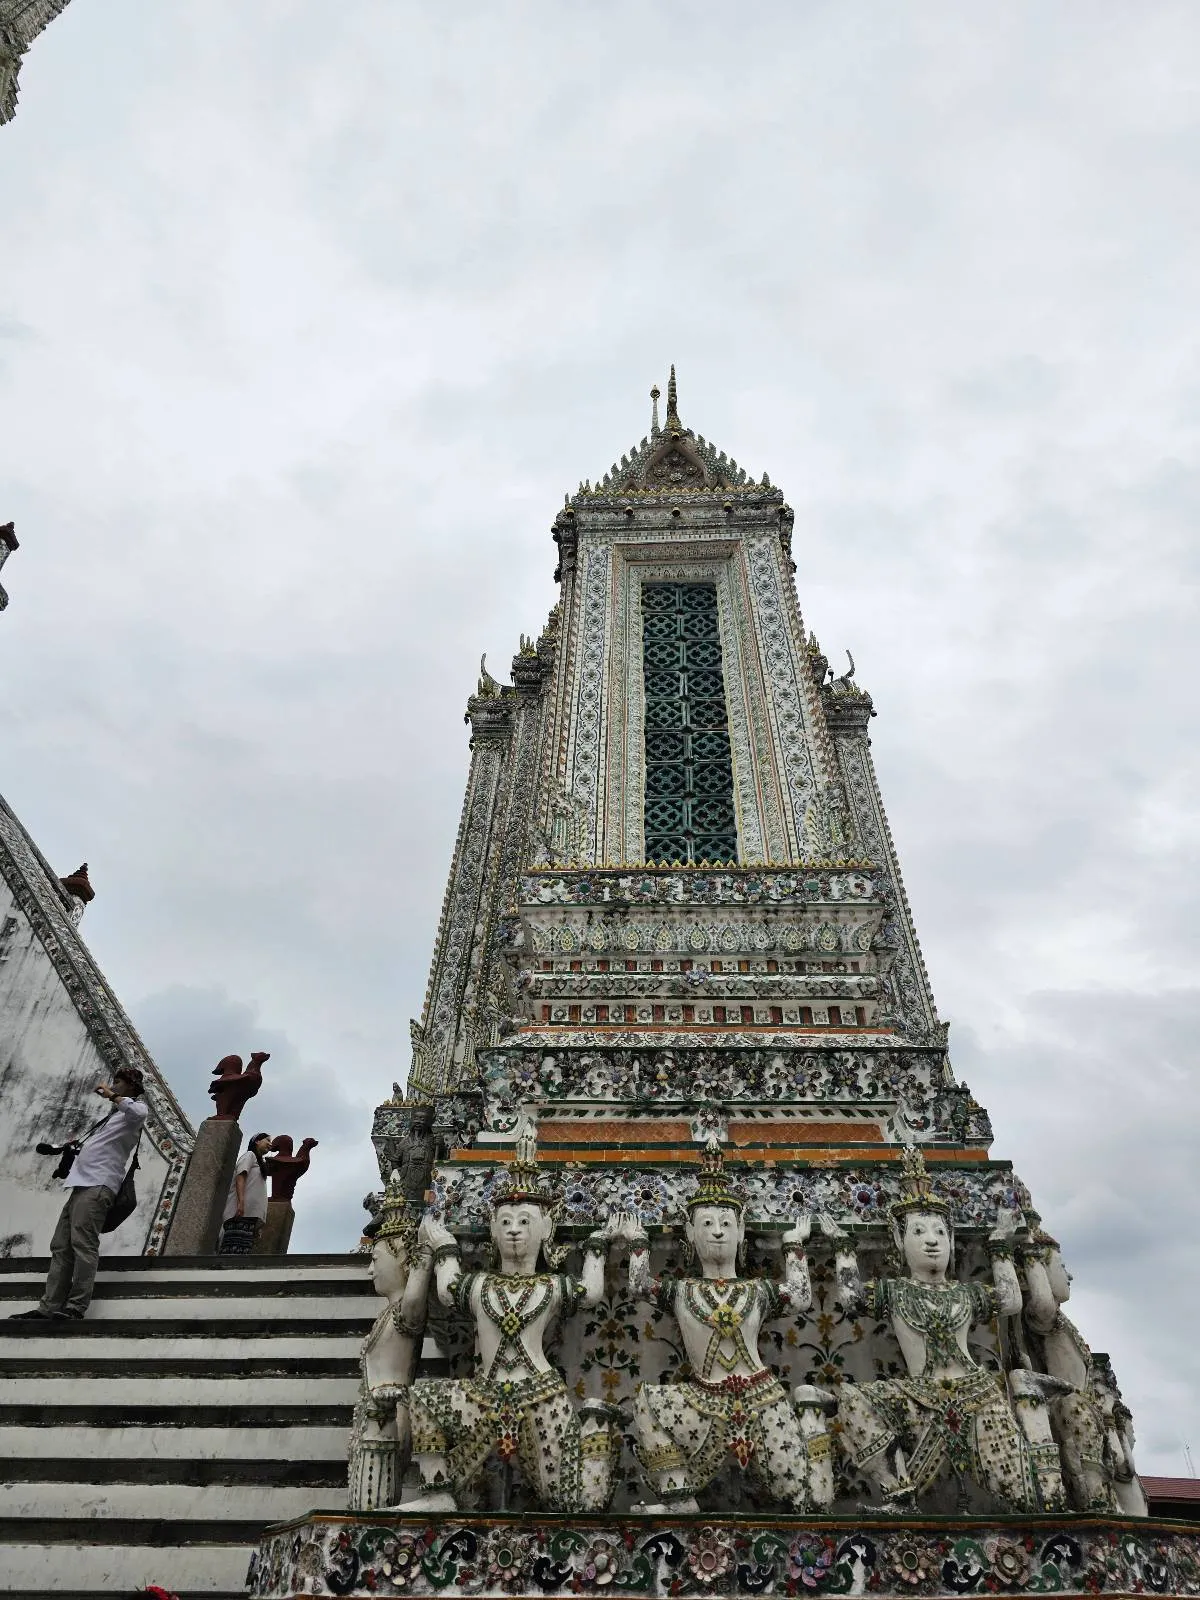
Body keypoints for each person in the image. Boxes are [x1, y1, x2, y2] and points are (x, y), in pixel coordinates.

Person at [11, 1068, 149, 1322]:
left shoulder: (133, 1111)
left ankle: (76, 1306)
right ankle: (48, 1307)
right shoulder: (112, 1118)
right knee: (61, 1246)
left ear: (130, 1086)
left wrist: (112, 1096)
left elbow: (139, 1112)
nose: (113, 1085)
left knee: (83, 1245)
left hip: (99, 1186)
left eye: (118, 1082)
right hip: (80, 1186)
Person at [217, 1131, 271, 1254]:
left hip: (249, 1217)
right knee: (232, 1251)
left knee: (242, 1252)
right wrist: (241, 1203)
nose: (270, 1144)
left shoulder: (260, 1163)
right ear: (257, 1141)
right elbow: (240, 1176)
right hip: (240, 1213)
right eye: (267, 1140)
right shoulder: (249, 1155)